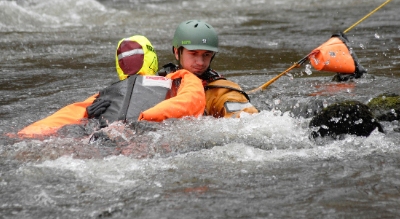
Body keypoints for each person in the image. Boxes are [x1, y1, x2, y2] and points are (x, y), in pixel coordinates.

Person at [17, 35, 205, 137]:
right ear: (152, 59)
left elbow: (63, 117)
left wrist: (87, 114)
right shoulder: (176, 79)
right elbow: (190, 99)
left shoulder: (105, 94)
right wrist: (146, 117)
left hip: (102, 136)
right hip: (146, 134)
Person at [158, 20, 258, 118]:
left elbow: (248, 119)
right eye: (193, 53)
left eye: (206, 54)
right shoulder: (161, 81)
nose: (200, 62)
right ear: (176, 52)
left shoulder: (222, 92)